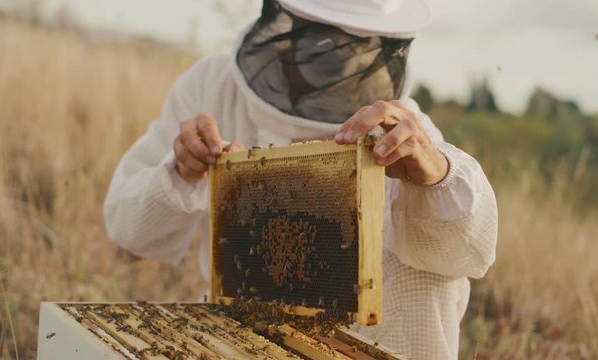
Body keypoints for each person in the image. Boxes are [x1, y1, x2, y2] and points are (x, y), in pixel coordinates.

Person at [103, 0, 498, 358]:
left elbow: (473, 254)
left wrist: (435, 176)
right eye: (319, 38)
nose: (335, 60)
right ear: (282, 22)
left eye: (355, 47)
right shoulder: (212, 88)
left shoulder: (404, 133)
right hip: (247, 341)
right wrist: (181, 171)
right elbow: (130, 228)